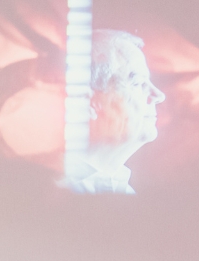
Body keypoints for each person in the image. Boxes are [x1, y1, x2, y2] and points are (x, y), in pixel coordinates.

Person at [60, 30, 166, 194]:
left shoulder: (126, 194)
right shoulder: (44, 194)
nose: (159, 95)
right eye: (138, 83)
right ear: (88, 101)